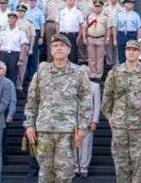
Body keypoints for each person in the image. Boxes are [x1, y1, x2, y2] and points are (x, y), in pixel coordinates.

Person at [24, 34, 93, 183]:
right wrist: (29, 125)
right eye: (55, 46)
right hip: (44, 131)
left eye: (62, 46)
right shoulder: (41, 73)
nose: (59, 48)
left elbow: (87, 102)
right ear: (51, 50)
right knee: (45, 174)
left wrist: (82, 128)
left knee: (65, 175)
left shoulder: (79, 73)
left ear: (69, 50)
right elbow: (32, 101)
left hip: (67, 132)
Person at [101, 38, 141, 183]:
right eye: (129, 49)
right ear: (125, 51)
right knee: (121, 166)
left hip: (140, 126)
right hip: (120, 126)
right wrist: (109, 116)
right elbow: (107, 97)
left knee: (139, 166)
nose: (131, 52)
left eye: (134, 50)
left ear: (139, 52)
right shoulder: (115, 72)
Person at [76, 78, 101, 176]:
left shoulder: (95, 86)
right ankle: (75, 166)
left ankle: (83, 168)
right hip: (75, 121)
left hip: (88, 121)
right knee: (75, 145)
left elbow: (97, 105)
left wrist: (95, 121)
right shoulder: (74, 84)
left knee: (86, 146)